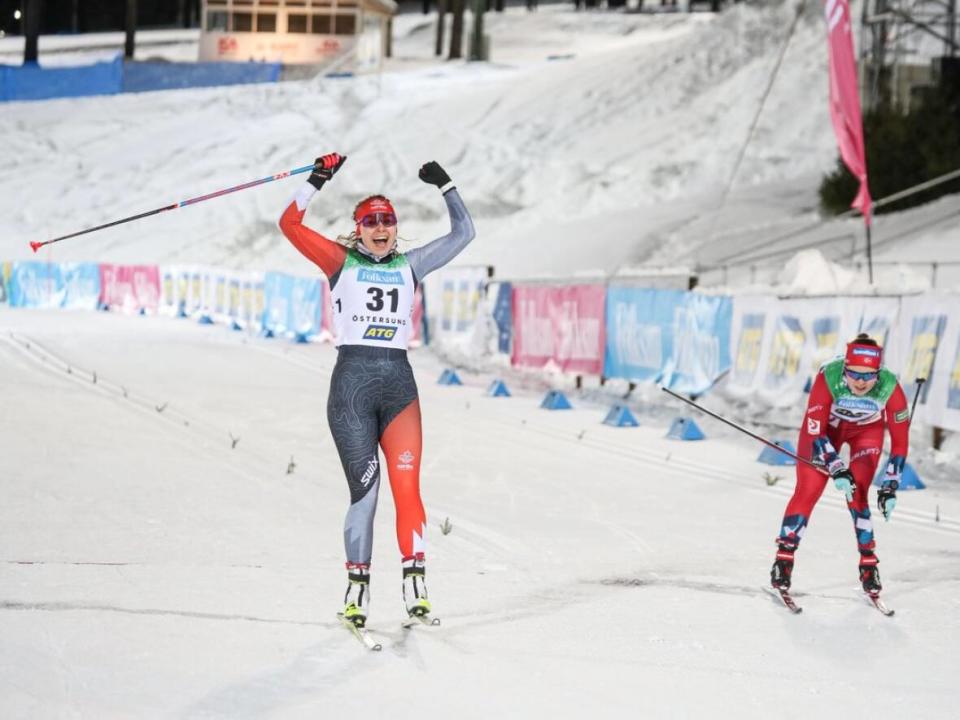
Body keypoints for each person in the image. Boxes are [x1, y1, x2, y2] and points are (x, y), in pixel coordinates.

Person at [278, 153, 475, 627]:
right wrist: (316, 179)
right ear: (358, 227)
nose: (381, 228)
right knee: (365, 493)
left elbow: (464, 234)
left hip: (398, 388)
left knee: (408, 489)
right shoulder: (338, 261)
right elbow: (289, 224)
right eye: (372, 221)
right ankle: (357, 590)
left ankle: (416, 585)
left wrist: (446, 185)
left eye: (388, 220)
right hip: (352, 389)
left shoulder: (411, 264)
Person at [770, 333, 910, 598]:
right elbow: (814, 432)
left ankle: (869, 565)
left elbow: (900, 445)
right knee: (808, 491)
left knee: (858, 495)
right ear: (845, 368)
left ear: (878, 374)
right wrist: (836, 467)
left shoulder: (891, 387)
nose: (860, 381)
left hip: (865, 434)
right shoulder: (829, 376)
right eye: (854, 374)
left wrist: (890, 487)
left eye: (868, 376)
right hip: (826, 434)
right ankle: (783, 560)